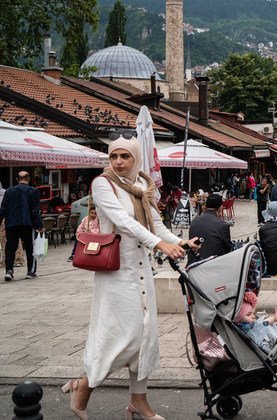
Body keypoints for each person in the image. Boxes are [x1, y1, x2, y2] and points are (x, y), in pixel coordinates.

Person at [61, 133, 199, 420]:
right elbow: (123, 222)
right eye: (114, 156)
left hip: (141, 272)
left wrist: (180, 241)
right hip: (116, 274)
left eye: (125, 156)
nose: (119, 162)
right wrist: (159, 245)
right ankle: (84, 388)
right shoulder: (103, 184)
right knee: (118, 337)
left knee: (144, 336)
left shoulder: (140, 186)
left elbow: (156, 224)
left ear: (135, 158)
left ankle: (139, 402)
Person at [0, 171, 43, 281]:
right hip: (27, 223)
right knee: (30, 247)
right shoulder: (33, 191)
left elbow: (3, 209)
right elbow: (35, 211)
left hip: (11, 224)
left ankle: (9, 270)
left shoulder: (8, 191)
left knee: (10, 247)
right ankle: (30, 271)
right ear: (28, 178)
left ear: (17, 179)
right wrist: (39, 225)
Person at [187, 194, 232, 265]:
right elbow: (228, 250)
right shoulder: (223, 225)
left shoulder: (194, 222)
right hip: (212, 267)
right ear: (220, 207)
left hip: (193, 265)